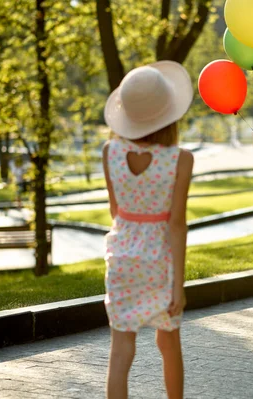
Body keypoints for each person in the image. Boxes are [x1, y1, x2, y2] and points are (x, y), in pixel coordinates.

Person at [102, 61, 194, 399]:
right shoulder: (180, 159)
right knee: (169, 343)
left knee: (121, 350)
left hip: (122, 257)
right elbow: (176, 224)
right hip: (160, 260)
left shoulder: (109, 152)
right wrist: (178, 286)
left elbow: (116, 211)